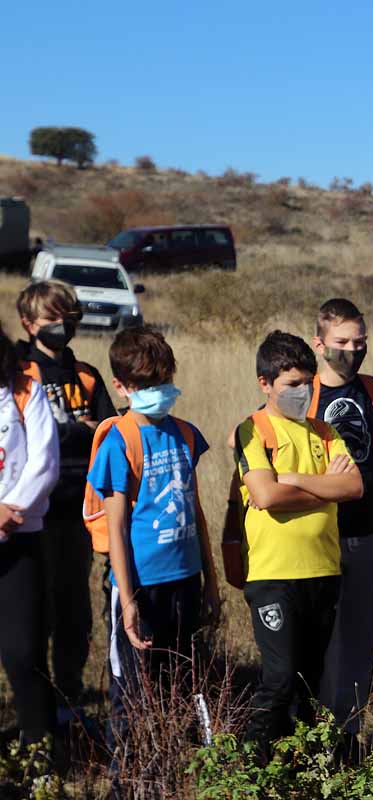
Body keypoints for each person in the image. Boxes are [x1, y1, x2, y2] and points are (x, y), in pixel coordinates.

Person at [86, 328, 220, 768]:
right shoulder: (119, 440)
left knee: (180, 684)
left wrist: (211, 582)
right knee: (133, 694)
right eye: (146, 385)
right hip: (141, 586)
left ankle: (175, 773)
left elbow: (195, 510)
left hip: (186, 580)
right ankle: (131, 782)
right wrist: (127, 600)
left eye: (164, 381)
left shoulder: (184, 434)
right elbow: (117, 526)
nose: (158, 392)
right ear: (121, 387)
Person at [236, 331, 362, 747]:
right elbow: (266, 495)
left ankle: (303, 766)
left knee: (310, 681)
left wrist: (292, 479)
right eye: (292, 384)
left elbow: (353, 488)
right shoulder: (253, 431)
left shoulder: (325, 432)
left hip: (323, 571)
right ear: (265, 384)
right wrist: (323, 484)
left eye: (308, 383)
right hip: (274, 575)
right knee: (279, 676)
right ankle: (253, 766)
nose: (303, 392)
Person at [16, 280, 116, 721]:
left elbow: (112, 432)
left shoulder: (88, 375)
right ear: (28, 322)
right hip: (31, 511)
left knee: (74, 607)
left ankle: (69, 697)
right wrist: (80, 428)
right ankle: (33, 704)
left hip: (79, 509)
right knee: (36, 608)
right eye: (52, 319)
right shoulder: (19, 374)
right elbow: (27, 438)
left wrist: (77, 430)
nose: (62, 326)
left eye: (69, 318)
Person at [310, 299, 373, 755]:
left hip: (370, 532)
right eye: (342, 342)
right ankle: (314, 732)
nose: (352, 350)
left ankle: (347, 734)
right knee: (322, 640)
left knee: (364, 637)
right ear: (319, 343)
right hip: (316, 537)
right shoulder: (301, 394)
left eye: (359, 342)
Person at [0, 324, 59, 746]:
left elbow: (45, 462)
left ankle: (40, 750)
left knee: (25, 652)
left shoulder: (25, 389)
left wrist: (7, 512)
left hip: (18, 537)